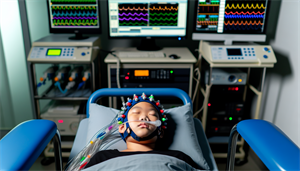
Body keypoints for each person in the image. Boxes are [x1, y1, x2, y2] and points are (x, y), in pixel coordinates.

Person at [84, 93, 203, 170]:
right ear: (122, 127)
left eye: (152, 115)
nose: (144, 118)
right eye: (136, 113)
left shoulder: (178, 157)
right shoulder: (103, 157)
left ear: (161, 131)